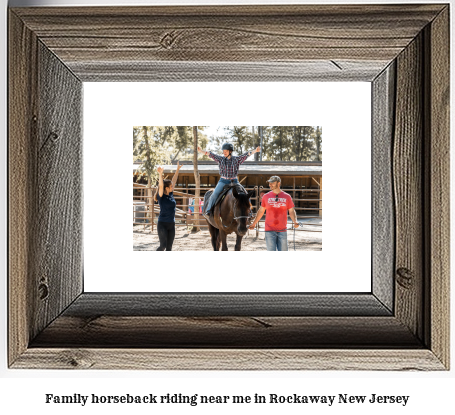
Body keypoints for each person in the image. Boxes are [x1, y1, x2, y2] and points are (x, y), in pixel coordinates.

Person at [197, 143, 260, 216]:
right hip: (223, 181)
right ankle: (208, 210)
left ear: (230, 151)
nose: (224, 152)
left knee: (246, 195)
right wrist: (201, 151)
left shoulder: (237, 159)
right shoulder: (220, 159)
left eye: (226, 151)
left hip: (234, 181)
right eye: (223, 151)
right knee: (215, 194)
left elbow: (246, 155)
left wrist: (255, 151)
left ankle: (249, 211)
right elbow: (211, 154)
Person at [249, 175, 299, 251]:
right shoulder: (266, 196)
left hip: (282, 230)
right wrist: (254, 223)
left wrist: (295, 221)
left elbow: (291, 211)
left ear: (278, 183)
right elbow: (261, 211)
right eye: (269, 183)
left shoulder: (287, 197)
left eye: (272, 183)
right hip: (269, 230)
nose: (270, 185)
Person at [155, 162, 182, 251]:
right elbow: (161, 185)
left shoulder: (170, 194)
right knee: (163, 246)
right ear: (166, 188)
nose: (172, 187)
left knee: (169, 248)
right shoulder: (161, 196)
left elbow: (174, 180)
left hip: (171, 224)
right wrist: (160, 174)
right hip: (162, 224)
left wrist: (177, 170)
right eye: (171, 186)